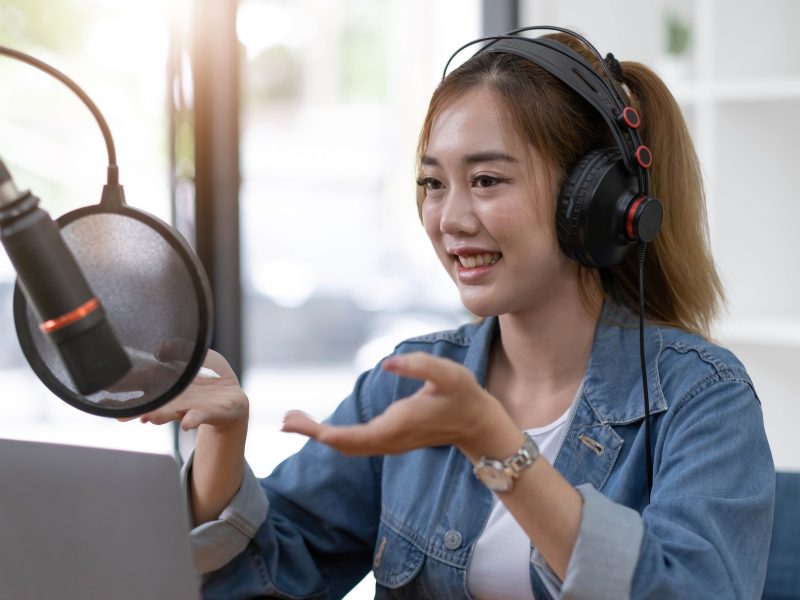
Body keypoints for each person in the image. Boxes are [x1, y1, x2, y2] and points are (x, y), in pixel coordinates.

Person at [134, 28, 775, 599]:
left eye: (487, 180)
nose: (450, 219)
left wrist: (493, 442)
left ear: (593, 202)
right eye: (433, 183)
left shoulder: (700, 397)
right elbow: (269, 579)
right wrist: (221, 448)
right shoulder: (406, 381)